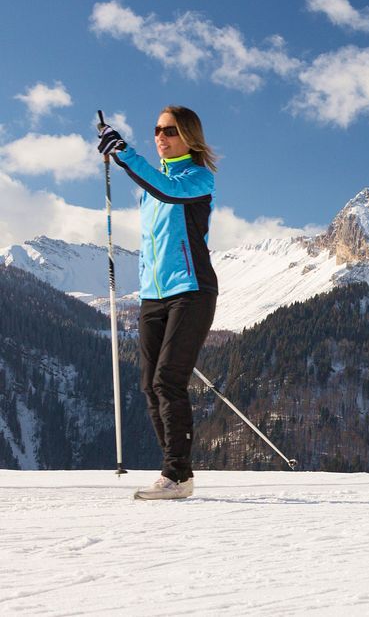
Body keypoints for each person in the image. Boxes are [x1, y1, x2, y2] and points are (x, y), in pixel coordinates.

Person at [97, 106, 219, 500]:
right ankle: (174, 474)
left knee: (169, 379)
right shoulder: (151, 187)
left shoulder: (197, 179)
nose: (160, 137)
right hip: (154, 296)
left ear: (188, 136)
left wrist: (125, 154)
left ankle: (177, 476)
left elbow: (165, 189)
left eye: (169, 130)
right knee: (150, 385)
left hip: (192, 290)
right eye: (156, 130)